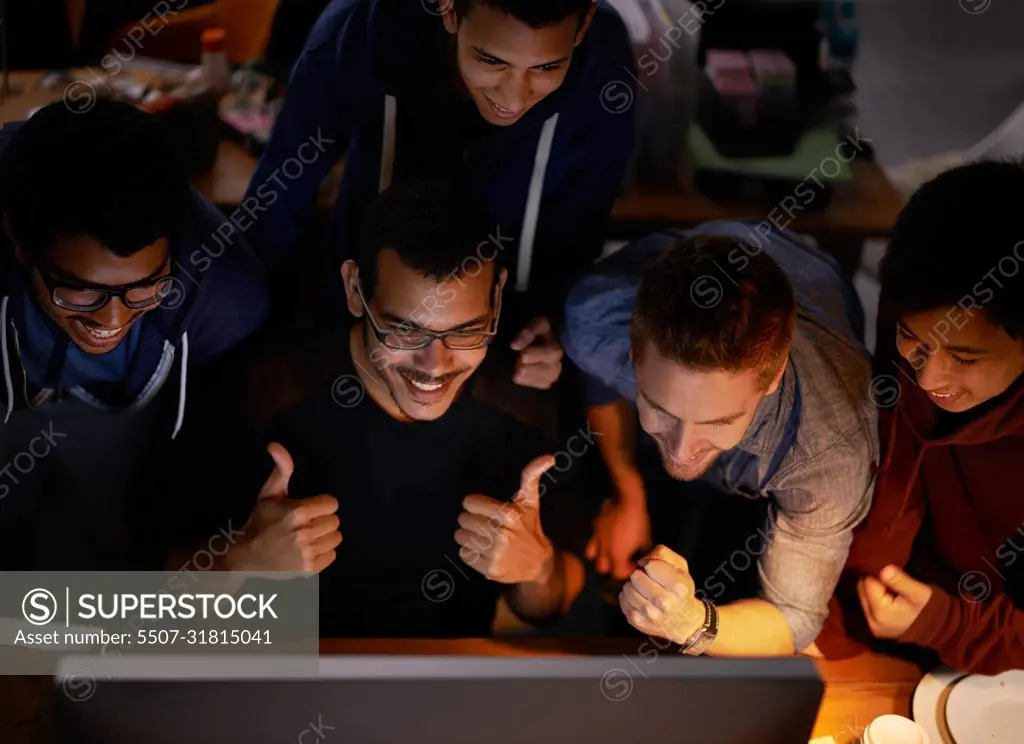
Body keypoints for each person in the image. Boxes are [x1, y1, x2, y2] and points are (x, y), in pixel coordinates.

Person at [182, 180, 585, 636]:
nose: (435, 365)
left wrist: (537, 569)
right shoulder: (260, 387)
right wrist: (237, 563)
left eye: (467, 332)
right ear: (355, 290)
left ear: (497, 298)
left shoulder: (528, 400)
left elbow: (553, 603)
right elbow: (142, 602)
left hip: (447, 673)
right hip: (277, 665)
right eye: (405, 332)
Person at [244, 0, 638, 390]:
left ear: (584, 23)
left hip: (515, 346)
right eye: (491, 60)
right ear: (448, 8)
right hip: (369, 326)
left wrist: (553, 324)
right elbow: (274, 203)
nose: (514, 99)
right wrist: (259, 342)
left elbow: (581, 227)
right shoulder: (357, 33)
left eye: (547, 66)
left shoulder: (604, 65)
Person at [562, 220, 877, 655]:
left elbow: (795, 618)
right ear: (633, 355)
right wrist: (627, 489)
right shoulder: (595, 313)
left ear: (772, 378)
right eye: (660, 409)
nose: (681, 448)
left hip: (817, 285)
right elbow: (595, 370)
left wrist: (692, 621)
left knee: (726, 550)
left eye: (718, 421)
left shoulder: (830, 449)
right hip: (682, 249)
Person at [0, 100, 268, 570]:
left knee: (100, 539)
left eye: (146, 287)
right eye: (80, 291)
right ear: (19, 242)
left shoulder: (226, 298)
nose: (111, 322)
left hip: (123, 411)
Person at [811, 161, 1024, 675]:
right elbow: (894, 457)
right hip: (889, 606)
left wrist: (949, 625)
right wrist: (826, 619)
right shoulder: (919, 306)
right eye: (912, 340)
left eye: (966, 358)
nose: (928, 380)